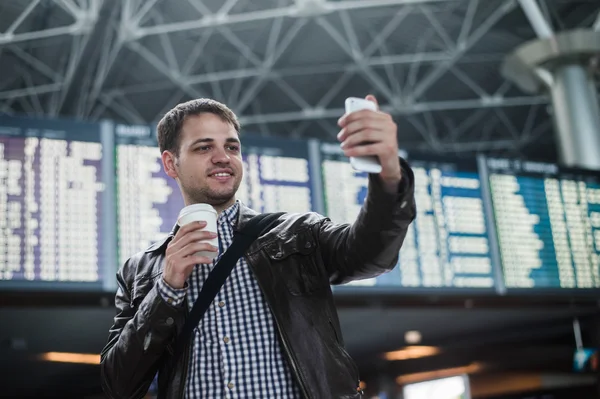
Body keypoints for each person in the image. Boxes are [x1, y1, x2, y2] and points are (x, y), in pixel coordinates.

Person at [100, 96, 416, 399]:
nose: (222, 156)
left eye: (231, 146)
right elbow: (119, 385)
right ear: (171, 163)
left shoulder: (297, 234)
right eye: (204, 147)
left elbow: (371, 254)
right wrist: (167, 289)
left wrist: (388, 174)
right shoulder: (140, 272)